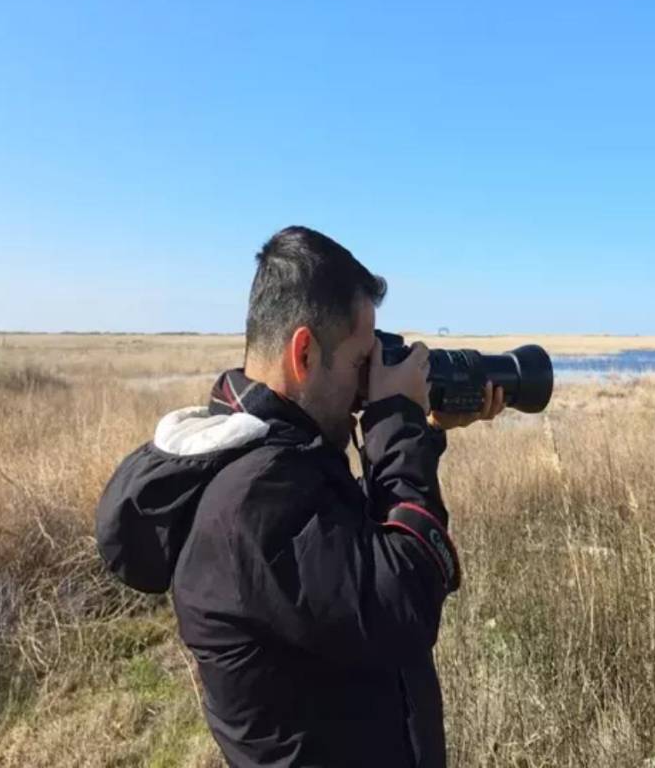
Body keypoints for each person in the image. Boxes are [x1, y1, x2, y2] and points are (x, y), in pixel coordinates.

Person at [95, 226, 504, 767]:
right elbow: (403, 601)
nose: (367, 386)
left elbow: (351, 552)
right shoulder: (252, 498)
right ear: (304, 352)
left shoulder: (277, 460)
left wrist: (422, 430)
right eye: (363, 360)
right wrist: (396, 423)